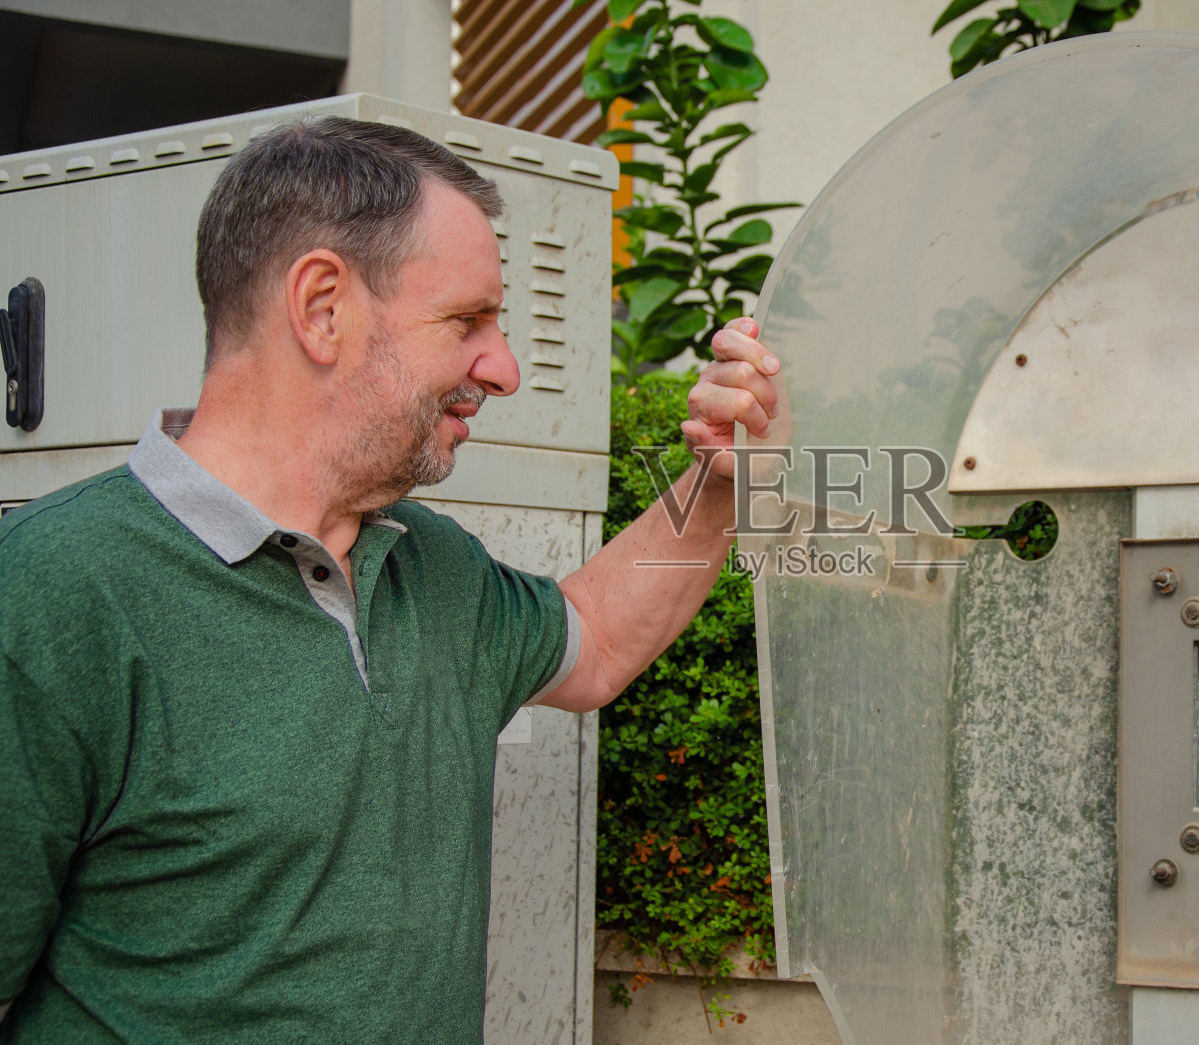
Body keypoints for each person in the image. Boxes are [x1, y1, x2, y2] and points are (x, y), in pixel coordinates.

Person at [0, 117, 780, 1042]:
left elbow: (600, 639)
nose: (505, 369)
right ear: (322, 307)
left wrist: (716, 482)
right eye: (467, 320)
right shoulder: (48, 590)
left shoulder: (429, 561)